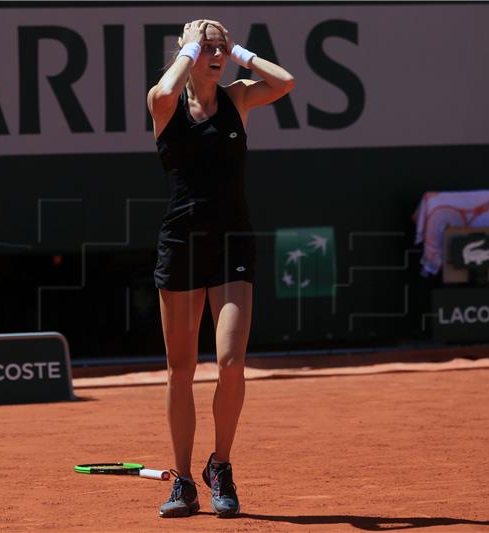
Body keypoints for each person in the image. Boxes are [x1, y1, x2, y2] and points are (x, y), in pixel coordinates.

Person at [147, 20, 295, 517]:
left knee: (231, 364)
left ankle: (220, 465)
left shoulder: (239, 97)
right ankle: (183, 481)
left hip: (232, 242)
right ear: (189, 51)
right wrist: (190, 48)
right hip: (181, 244)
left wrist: (240, 52)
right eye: (207, 47)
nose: (215, 54)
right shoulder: (163, 101)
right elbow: (168, 86)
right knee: (180, 370)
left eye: (219, 48)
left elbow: (286, 82)